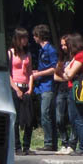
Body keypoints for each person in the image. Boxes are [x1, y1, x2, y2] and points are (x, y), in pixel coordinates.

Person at [64, 32, 83, 155]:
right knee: (78, 117)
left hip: (77, 89)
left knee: (79, 118)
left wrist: (66, 72)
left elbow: (69, 74)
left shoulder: (80, 56)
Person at [31, 24, 59, 152]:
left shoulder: (50, 50)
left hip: (48, 86)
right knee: (46, 114)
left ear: (39, 36)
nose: (33, 38)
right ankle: (51, 142)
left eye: (35, 35)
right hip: (41, 85)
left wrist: (38, 74)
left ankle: (49, 142)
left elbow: (54, 68)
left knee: (45, 114)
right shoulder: (41, 50)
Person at [8, 27, 35, 154]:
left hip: (26, 87)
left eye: (26, 38)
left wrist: (30, 88)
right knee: (17, 119)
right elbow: (8, 74)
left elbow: (30, 73)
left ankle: (26, 146)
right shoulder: (11, 53)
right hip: (15, 87)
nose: (25, 40)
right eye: (22, 38)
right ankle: (17, 147)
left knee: (28, 118)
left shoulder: (28, 54)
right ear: (17, 39)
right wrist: (16, 89)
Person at [54, 34, 77, 153]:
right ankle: (64, 142)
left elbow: (71, 76)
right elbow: (55, 77)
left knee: (73, 117)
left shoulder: (75, 57)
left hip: (72, 90)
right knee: (59, 119)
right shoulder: (61, 59)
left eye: (65, 44)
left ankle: (72, 145)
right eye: (61, 45)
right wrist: (67, 77)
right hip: (61, 90)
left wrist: (66, 77)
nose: (63, 47)